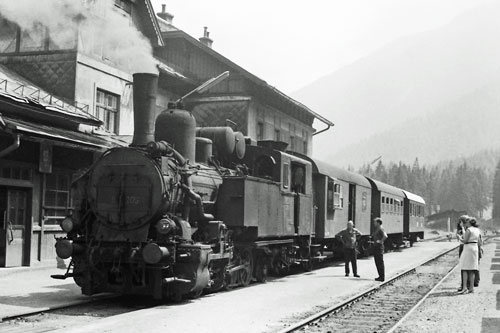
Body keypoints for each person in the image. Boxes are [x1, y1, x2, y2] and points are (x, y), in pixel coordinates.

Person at [457, 217, 481, 294]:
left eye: (467, 222)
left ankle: (464, 288)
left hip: (468, 248)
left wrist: (459, 237)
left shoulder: (469, 230)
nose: (466, 223)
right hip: (475, 248)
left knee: (464, 268)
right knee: (472, 269)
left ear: (470, 223)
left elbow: (465, 241)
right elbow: (479, 242)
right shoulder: (477, 230)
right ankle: (471, 288)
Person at [372, 217, 387, 282]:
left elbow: (385, 236)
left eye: (375, 222)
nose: (374, 223)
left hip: (379, 247)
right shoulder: (378, 228)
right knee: (377, 262)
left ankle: (382, 277)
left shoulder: (380, 228)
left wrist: (380, 241)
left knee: (379, 262)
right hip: (376, 247)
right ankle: (380, 276)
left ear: (378, 223)